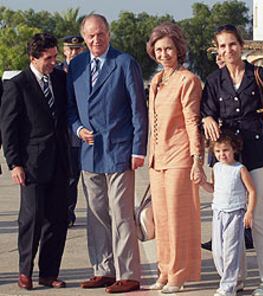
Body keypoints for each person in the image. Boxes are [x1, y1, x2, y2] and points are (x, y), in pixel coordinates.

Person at [201, 24, 263, 296]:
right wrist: (206, 117)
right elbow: (205, 111)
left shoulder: (259, 74)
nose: (228, 50)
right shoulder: (215, 80)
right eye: (222, 46)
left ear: (241, 45)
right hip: (228, 159)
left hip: (258, 153)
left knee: (260, 218)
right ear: (217, 50)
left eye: (232, 44)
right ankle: (234, 278)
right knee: (230, 220)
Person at [67, 14, 148, 294]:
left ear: (108, 34)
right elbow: (71, 109)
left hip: (119, 151)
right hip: (89, 154)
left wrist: (139, 149)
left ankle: (128, 274)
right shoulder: (76, 66)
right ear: (84, 37)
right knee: (96, 214)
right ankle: (103, 269)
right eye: (90, 35)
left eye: (100, 34)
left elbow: (139, 110)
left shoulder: (124, 63)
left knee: (121, 214)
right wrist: (77, 130)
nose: (95, 40)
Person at [0, 32, 71, 290]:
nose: (54, 62)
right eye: (48, 58)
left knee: (57, 219)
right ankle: (25, 272)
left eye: (55, 56)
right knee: (31, 219)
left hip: (60, 162)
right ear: (33, 58)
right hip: (31, 164)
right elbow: (8, 127)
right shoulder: (17, 85)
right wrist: (14, 163)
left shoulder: (61, 80)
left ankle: (49, 273)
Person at [146, 22, 205, 294]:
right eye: (158, 49)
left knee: (179, 218)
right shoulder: (157, 80)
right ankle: (165, 269)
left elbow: (193, 121)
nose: (163, 54)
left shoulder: (188, 80)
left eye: (168, 48)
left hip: (180, 156)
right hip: (157, 160)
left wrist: (197, 159)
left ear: (178, 49)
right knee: (162, 219)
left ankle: (179, 274)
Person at [201, 131, 256, 296]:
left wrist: (249, 212)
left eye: (225, 150)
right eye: (217, 151)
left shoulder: (240, 169)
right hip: (218, 213)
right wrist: (203, 183)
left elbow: (252, 191)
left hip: (235, 213)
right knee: (218, 251)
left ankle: (227, 286)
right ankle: (234, 279)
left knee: (231, 251)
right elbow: (213, 188)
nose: (221, 154)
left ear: (234, 150)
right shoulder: (216, 168)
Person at [56, 35, 85, 227]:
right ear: (64, 51)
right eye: (70, 49)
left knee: (73, 175)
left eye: (77, 49)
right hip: (58, 132)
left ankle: (68, 213)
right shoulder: (56, 72)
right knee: (58, 175)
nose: (74, 53)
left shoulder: (86, 70)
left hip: (77, 132)